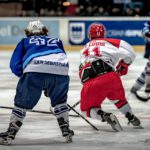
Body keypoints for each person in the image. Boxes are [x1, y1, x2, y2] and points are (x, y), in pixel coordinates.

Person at [0, 20, 74, 145]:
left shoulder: (25, 41)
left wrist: (27, 77)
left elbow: (15, 65)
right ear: (45, 31)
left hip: (34, 71)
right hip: (60, 71)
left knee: (22, 103)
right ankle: (65, 129)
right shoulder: (56, 40)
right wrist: (50, 85)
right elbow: (63, 57)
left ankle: (11, 133)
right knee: (60, 101)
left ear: (28, 33)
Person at [79, 23, 141, 131]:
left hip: (91, 82)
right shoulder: (111, 42)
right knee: (119, 100)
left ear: (89, 35)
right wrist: (123, 65)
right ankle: (130, 116)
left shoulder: (84, 49)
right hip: (111, 77)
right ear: (103, 33)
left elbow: (83, 70)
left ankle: (105, 116)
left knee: (86, 110)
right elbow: (131, 53)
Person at [131, 21, 150, 98]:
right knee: (148, 69)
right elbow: (145, 32)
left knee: (147, 70)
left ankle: (136, 87)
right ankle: (148, 85)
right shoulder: (148, 24)